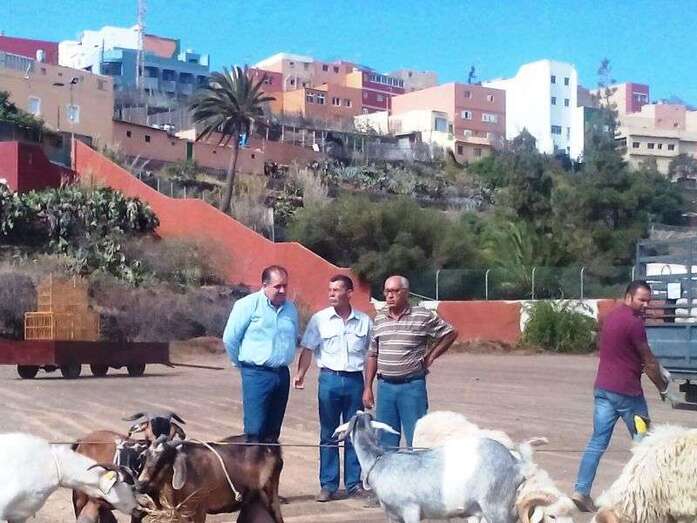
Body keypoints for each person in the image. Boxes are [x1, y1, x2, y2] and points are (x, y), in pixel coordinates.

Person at [572, 280, 669, 513]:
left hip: (603, 390)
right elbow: (648, 361)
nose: (645, 305)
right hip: (628, 394)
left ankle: (581, 491)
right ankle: (643, 496)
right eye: (641, 300)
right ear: (629, 297)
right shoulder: (634, 323)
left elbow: (619, 350)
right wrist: (663, 388)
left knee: (597, 442)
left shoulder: (611, 317)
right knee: (645, 444)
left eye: (648, 301)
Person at [294, 275, 372, 502]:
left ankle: (354, 484)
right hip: (329, 380)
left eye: (337, 290)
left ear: (349, 293)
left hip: (355, 381)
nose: (331, 294)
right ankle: (328, 485)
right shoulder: (320, 319)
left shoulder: (364, 321)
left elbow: (372, 354)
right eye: (330, 290)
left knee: (355, 432)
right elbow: (308, 349)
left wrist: (368, 386)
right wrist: (300, 374)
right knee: (328, 433)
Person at [363, 275, 458, 449]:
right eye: (387, 291)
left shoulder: (422, 315)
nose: (390, 295)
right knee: (385, 440)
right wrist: (368, 387)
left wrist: (431, 356)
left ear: (406, 293)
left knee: (417, 438)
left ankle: (416, 467)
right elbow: (372, 354)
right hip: (385, 387)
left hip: (412, 387)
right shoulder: (379, 319)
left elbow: (450, 333)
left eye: (395, 291)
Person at [223, 265, 299, 442]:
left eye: (285, 286)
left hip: (281, 374)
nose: (282, 290)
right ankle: (251, 460)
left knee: (273, 431)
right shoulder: (247, 305)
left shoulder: (290, 309)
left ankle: (269, 461)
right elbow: (230, 339)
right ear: (265, 285)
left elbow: (294, 337)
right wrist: (240, 364)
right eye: (277, 286)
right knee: (254, 430)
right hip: (256, 374)